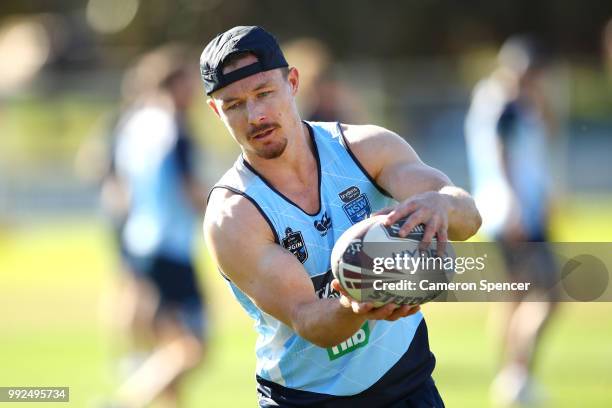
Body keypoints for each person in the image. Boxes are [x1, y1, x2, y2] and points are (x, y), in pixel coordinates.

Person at [202, 26, 481, 407]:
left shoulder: (366, 149)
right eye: (234, 104)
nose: (256, 115)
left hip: (407, 385)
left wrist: (442, 205)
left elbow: (468, 218)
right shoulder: (233, 216)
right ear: (216, 110)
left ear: (293, 82)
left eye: (264, 93)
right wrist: (360, 302)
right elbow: (308, 319)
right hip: (306, 399)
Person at [104, 44, 207, 408]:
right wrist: (224, 214)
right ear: (175, 85)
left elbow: (119, 186)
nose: (197, 91)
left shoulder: (134, 125)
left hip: (141, 243)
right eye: (191, 83)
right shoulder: (173, 127)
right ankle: (122, 402)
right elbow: (189, 187)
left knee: (169, 346)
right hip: (171, 248)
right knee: (192, 348)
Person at [464, 36, 560, 407]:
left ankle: (510, 376)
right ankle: (517, 376)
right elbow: (503, 159)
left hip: (505, 212)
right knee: (548, 294)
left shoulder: (500, 100)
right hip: (516, 215)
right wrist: (519, 207)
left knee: (515, 297)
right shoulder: (505, 104)